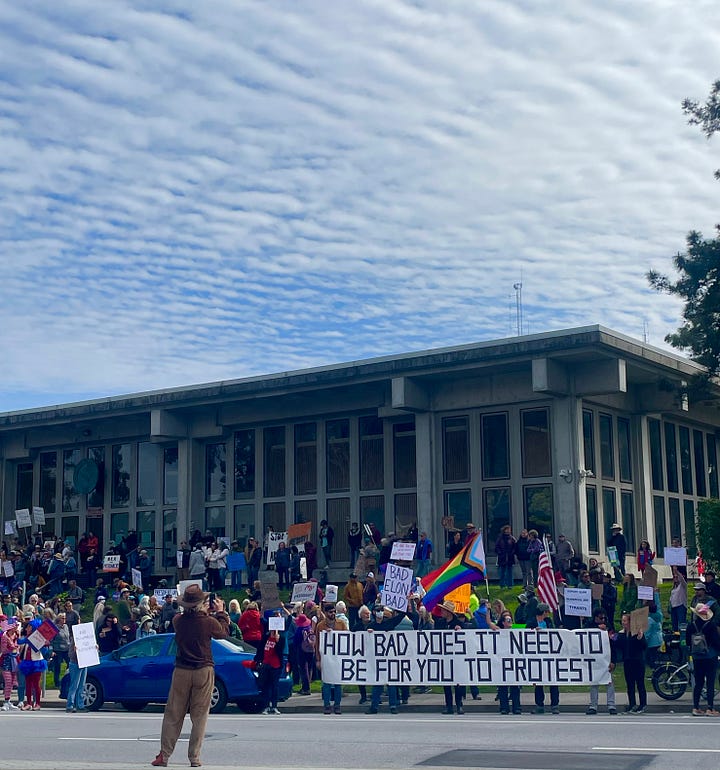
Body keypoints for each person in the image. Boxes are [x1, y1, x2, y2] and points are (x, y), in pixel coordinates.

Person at [151, 584, 228, 768]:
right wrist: (221, 612)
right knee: (200, 715)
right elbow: (223, 633)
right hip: (203, 669)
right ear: (202, 603)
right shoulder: (209, 622)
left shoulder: (178, 620)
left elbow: (191, 619)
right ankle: (194, 757)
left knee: (173, 713)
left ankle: (165, 754)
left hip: (182, 670)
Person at [435, 600, 469, 715]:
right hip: (444, 656)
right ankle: (449, 706)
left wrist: (460, 631)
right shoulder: (440, 623)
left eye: (443, 610)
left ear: (449, 612)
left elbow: (468, 636)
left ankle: (459, 705)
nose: (441, 612)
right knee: (446, 683)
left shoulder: (458, 623)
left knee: (458, 683)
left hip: (456, 658)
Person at [686, 603, 720, 716]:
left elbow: (687, 641)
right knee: (710, 682)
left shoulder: (691, 625)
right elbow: (716, 642)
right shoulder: (711, 625)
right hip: (710, 656)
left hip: (697, 657)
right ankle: (710, 708)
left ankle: (696, 707)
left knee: (698, 682)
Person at [314, 602, 348, 714]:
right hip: (326, 658)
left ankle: (337, 705)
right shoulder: (320, 626)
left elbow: (347, 639)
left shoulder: (341, 624)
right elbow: (317, 643)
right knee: (327, 682)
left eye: (334, 611)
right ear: (325, 613)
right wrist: (318, 659)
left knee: (338, 683)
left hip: (338, 658)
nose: (332, 614)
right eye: (330, 612)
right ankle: (327, 705)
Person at [526, 603, 560, 714]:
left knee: (553, 681)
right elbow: (525, 635)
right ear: (543, 612)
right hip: (537, 655)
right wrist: (533, 631)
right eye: (547, 611)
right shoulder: (531, 622)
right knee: (538, 681)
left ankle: (555, 705)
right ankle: (539, 705)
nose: (548, 614)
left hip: (549, 654)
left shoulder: (548, 622)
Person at [585, 608, 617, 715]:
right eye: (600, 618)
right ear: (595, 618)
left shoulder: (609, 627)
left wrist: (613, 661)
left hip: (606, 659)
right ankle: (593, 705)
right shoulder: (589, 626)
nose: (603, 620)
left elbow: (614, 643)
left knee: (609, 682)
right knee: (594, 682)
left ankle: (611, 705)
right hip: (594, 660)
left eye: (604, 618)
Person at [616, 611, 647, 713]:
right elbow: (618, 645)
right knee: (630, 684)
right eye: (622, 621)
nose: (623, 623)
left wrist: (640, 638)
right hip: (627, 661)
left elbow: (644, 646)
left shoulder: (637, 632)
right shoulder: (622, 634)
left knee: (640, 683)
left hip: (637, 661)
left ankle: (643, 704)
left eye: (625, 621)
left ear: (630, 622)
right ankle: (632, 704)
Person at [496, 611, 522, 715]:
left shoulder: (517, 631)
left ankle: (517, 707)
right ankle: (504, 707)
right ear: (503, 622)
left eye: (510, 619)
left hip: (514, 661)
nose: (510, 621)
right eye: (507, 619)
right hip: (502, 662)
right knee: (503, 686)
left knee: (515, 686)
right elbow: (490, 624)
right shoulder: (498, 631)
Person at [669, 567, 687, 631]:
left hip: (680, 606)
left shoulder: (682, 586)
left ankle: (682, 637)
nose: (675, 578)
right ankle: (675, 636)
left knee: (681, 624)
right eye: (674, 577)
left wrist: (676, 571)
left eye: (677, 577)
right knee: (674, 624)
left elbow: (682, 579)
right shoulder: (673, 587)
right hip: (673, 607)